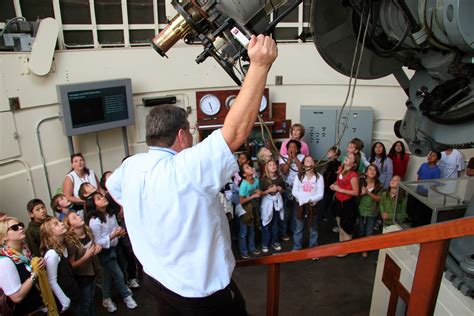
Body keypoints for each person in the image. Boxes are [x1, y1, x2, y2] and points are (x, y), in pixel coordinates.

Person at [105, 34, 277, 315]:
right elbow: (234, 133)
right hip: (200, 297)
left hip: (156, 281)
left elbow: (114, 190)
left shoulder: (131, 166)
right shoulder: (185, 169)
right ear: (183, 136)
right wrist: (259, 65)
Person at [86, 192, 137, 312]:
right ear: (94, 205)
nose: (103, 198)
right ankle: (126, 296)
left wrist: (119, 232)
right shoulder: (94, 221)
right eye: (99, 198)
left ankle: (106, 298)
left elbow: (115, 228)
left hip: (115, 246)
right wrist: (113, 235)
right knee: (118, 274)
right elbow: (98, 241)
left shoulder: (110, 213)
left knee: (108, 275)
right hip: (105, 252)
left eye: (102, 196)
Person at [0, 217, 46, 315]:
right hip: (27, 312)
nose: (20, 227)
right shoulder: (4, 261)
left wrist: (40, 262)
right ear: (4, 236)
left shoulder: (24, 249)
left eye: (20, 224)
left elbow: (30, 267)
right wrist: (34, 274)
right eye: (15, 227)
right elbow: (17, 297)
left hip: (41, 305)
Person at [64, 212, 102, 316]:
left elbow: (94, 245)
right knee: (85, 303)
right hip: (82, 277)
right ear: (70, 227)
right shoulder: (71, 242)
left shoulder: (88, 231)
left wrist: (98, 247)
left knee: (92, 300)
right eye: (74, 218)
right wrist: (86, 256)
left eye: (77, 215)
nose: (79, 217)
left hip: (93, 272)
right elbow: (71, 265)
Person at [40, 216, 81, 313]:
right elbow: (52, 281)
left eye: (59, 221)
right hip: (66, 297)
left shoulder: (63, 245)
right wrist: (65, 301)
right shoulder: (52, 253)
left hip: (72, 290)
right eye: (56, 224)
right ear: (50, 233)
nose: (61, 223)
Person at [291, 155, 324, 251]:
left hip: (312, 206)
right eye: (307, 161)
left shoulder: (319, 177)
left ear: (314, 164)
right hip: (300, 206)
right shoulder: (299, 176)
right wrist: (303, 200)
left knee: (313, 228)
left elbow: (320, 194)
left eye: (311, 160)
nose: (309, 162)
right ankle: (297, 247)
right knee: (298, 228)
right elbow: (294, 191)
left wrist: (306, 200)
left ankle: (313, 248)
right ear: (304, 165)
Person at [330, 152, 360, 257]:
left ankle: (346, 249)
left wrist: (340, 189)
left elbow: (356, 192)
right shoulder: (341, 169)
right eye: (347, 156)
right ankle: (342, 246)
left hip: (347, 204)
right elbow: (338, 181)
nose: (346, 158)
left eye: (350, 158)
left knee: (346, 226)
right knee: (340, 224)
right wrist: (334, 185)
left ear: (354, 164)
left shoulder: (353, 175)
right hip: (338, 202)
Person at [279, 139, 304, 241]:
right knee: (285, 211)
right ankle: (284, 232)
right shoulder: (283, 158)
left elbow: (302, 170)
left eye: (294, 147)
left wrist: (295, 158)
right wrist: (289, 158)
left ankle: (294, 230)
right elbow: (284, 171)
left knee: (295, 210)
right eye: (289, 147)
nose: (291, 149)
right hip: (287, 188)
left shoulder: (302, 157)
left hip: (298, 189)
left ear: (298, 149)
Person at [357, 165, 383, 259]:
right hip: (360, 210)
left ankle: (365, 250)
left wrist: (368, 193)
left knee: (369, 231)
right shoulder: (361, 182)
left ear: (377, 173)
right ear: (366, 172)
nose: (372, 171)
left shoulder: (379, 185)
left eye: (374, 170)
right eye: (370, 169)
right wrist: (361, 193)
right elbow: (356, 195)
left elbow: (379, 198)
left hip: (372, 212)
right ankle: (361, 245)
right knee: (361, 229)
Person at [259, 160, 284, 253]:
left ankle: (275, 242)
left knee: (275, 225)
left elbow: (283, 190)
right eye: (270, 165)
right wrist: (268, 191)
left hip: (276, 204)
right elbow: (260, 193)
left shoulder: (280, 179)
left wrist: (280, 190)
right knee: (266, 225)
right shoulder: (264, 179)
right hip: (267, 204)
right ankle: (265, 243)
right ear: (267, 168)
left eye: (274, 164)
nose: (273, 166)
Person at [238, 162, 262, 259]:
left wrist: (258, 192)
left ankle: (252, 248)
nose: (251, 168)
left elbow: (258, 191)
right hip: (245, 210)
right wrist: (253, 196)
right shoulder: (244, 185)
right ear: (244, 174)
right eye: (247, 168)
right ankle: (244, 251)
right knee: (244, 232)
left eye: (250, 166)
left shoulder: (256, 180)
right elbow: (241, 201)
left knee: (252, 230)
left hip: (254, 208)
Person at [320, 146, 341, 232]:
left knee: (325, 208)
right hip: (328, 189)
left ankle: (335, 224)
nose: (328, 152)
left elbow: (331, 178)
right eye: (329, 151)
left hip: (329, 189)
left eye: (331, 152)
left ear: (336, 156)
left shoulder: (335, 165)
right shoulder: (329, 163)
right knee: (325, 207)